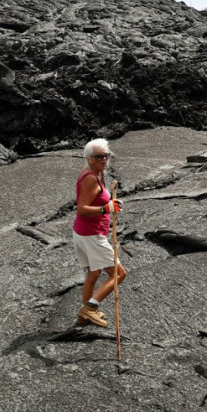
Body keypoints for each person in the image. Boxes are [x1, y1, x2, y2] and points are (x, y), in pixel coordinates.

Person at [73, 138, 127, 327]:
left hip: (83, 233)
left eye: (106, 155)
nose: (104, 159)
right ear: (89, 158)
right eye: (99, 156)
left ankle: (83, 318)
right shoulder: (90, 178)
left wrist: (111, 205)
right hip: (91, 235)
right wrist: (106, 209)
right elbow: (81, 208)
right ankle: (89, 308)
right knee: (119, 274)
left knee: (94, 273)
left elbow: (98, 201)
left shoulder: (95, 172)